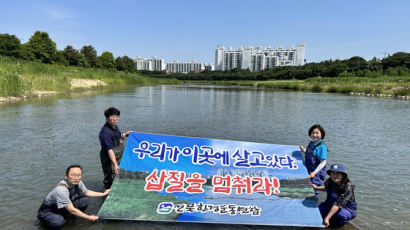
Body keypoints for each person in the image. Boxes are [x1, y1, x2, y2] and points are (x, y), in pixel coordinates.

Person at [37, 165, 110, 230]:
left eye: (79, 175)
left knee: (85, 200)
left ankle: (69, 217)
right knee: (59, 222)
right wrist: (89, 217)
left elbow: (87, 192)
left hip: (63, 207)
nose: (76, 178)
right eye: (73, 175)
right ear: (66, 176)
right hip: (48, 211)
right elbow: (71, 209)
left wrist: (103, 194)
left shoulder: (78, 182)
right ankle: (47, 222)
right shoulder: (61, 190)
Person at [312, 163, 357, 228]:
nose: (335, 176)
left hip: (346, 208)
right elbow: (327, 188)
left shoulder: (348, 187)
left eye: (337, 173)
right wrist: (316, 188)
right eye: (333, 173)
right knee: (318, 213)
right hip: (330, 204)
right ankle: (331, 219)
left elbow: (338, 204)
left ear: (343, 175)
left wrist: (327, 218)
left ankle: (341, 227)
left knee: (340, 216)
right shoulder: (329, 181)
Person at [99, 107, 131, 189]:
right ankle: (106, 193)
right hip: (109, 158)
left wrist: (124, 135)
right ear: (107, 118)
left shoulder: (115, 127)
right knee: (111, 175)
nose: (115, 119)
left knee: (120, 173)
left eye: (117, 116)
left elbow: (117, 138)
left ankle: (118, 188)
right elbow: (109, 150)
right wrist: (115, 164)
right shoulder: (105, 133)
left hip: (118, 155)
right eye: (112, 116)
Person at [299, 124, 328, 200]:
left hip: (317, 173)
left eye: (317, 133)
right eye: (313, 133)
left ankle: (313, 206)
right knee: (306, 188)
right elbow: (311, 155)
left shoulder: (322, 146)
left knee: (313, 189)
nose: (314, 135)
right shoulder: (312, 143)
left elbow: (323, 162)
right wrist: (304, 150)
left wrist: (314, 173)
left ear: (322, 134)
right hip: (309, 170)